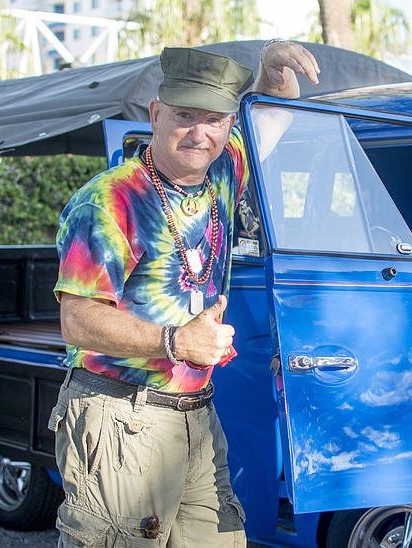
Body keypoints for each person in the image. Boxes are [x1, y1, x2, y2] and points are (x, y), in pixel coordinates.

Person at [47, 40, 320, 547]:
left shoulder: (223, 170)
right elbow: (77, 320)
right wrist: (175, 342)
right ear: (156, 114)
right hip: (120, 416)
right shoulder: (109, 200)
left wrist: (270, 65)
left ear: (228, 124)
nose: (199, 132)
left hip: (196, 415)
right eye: (185, 116)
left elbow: (273, 111)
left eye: (214, 119)